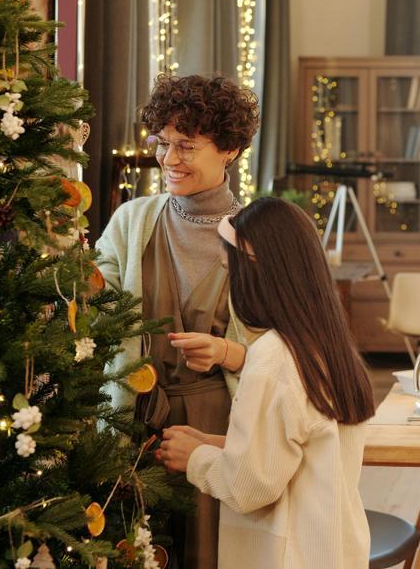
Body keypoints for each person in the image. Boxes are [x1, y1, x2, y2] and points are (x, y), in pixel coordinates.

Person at [96, 73, 260, 567]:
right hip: (132, 418)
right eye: (163, 144)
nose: (168, 160)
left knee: (208, 552)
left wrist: (230, 353)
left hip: (219, 427)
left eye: (186, 146)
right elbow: (96, 306)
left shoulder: (261, 234)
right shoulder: (132, 220)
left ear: (229, 148)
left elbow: (298, 350)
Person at [156, 198, 375, 568]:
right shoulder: (326, 344)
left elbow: (250, 487)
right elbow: (294, 451)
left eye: (230, 272)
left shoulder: (273, 357)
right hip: (335, 548)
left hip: (288, 556)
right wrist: (218, 444)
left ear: (256, 272)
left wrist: (194, 458)